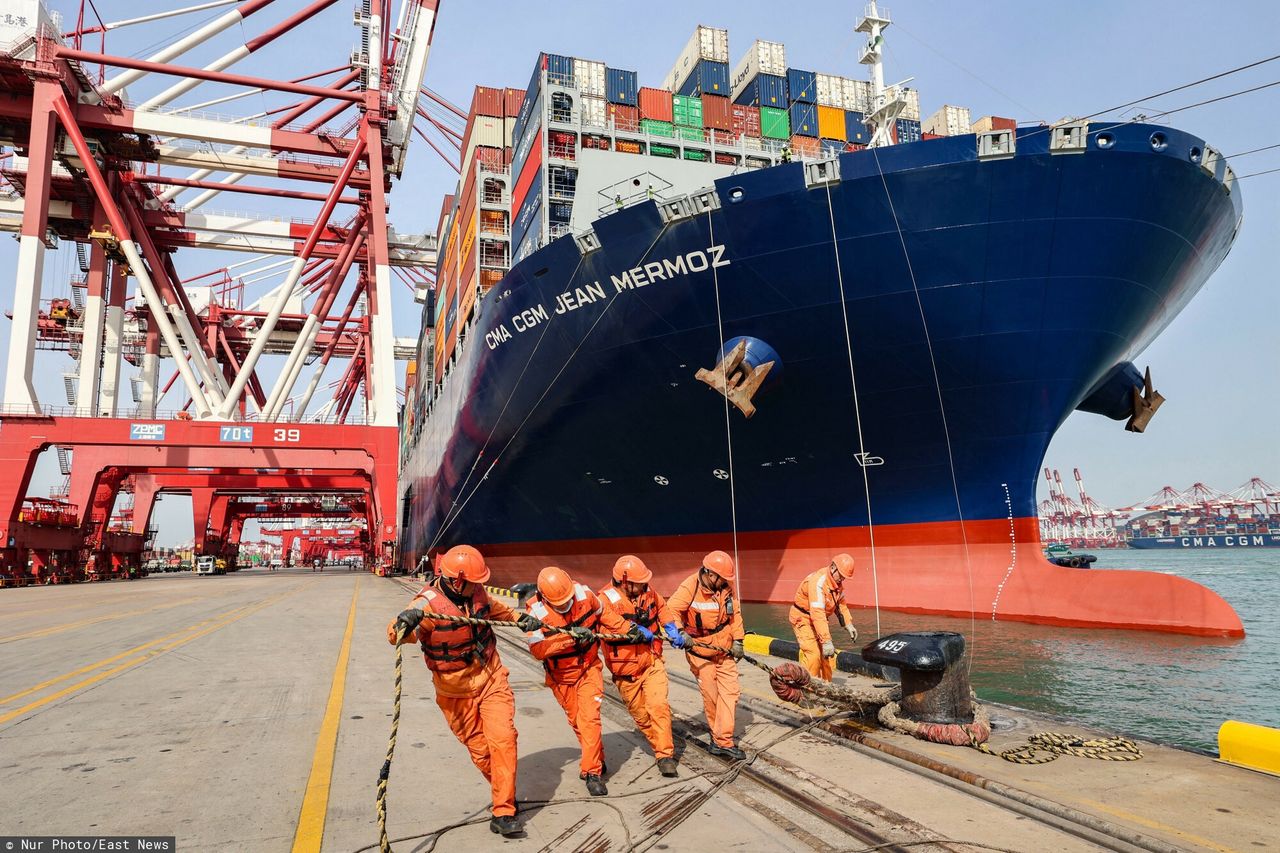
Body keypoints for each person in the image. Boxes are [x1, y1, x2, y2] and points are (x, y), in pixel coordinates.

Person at [388, 544, 542, 838]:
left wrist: (521, 620)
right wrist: (402, 625)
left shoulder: (478, 594)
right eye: (476, 581)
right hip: (454, 692)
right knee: (482, 753)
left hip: (491, 678)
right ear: (458, 581)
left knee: (503, 739)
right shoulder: (428, 606)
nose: (480, 585)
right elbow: (397, 633)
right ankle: (503, 791)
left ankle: (504, 810)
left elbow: (497, 611)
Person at [524, 565, 645, 796]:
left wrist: (628, 628)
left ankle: (592, 772)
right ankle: (596, 757)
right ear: (544, 597)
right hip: (561, 678)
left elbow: (605, 615)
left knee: (590, 720)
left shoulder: (584, 594)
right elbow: (538, 650)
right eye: (558, 603)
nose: (564, 605)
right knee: (577, 722)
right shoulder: (535, 612)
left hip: (589, 669)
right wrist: (569, 638)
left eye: (566, 600)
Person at [598, 556, 678, 777]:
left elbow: (661, 608)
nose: (644, 585)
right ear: (625, 582)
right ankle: (660, 743)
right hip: (625, 674)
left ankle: (665, 755)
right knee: (642, 717)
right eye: (639, 582)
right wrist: (630, 630)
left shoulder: (647, 592)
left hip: (652, 662)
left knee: (658, 706)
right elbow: (605, 628)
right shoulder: (603, 601)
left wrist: (671, 626)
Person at [667, 550, 746, 760]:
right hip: (700, 652)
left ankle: (722, 741)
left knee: (730, 693)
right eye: (723, 578)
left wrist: (738, 640)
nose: (726, 582)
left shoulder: (726, 587)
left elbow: (734, 615)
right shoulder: (690, 587)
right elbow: (671, 610)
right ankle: (719, 739)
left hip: (724, 650)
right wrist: (680, 632)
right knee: (712, 697)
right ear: (711, 574)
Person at [788, 554, 859, 680]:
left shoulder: (836, 584)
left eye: (844, 577)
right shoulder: (818, 582)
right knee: (813, 655)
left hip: (818, 620)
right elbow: (818, 613)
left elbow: (840, 604)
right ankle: (806, 688)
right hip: (803, 619)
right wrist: (826, 641)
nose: (842, 579)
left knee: (827, 657)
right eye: (841, 576)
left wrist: (848, 623)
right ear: (833, 568)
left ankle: (826, 687)